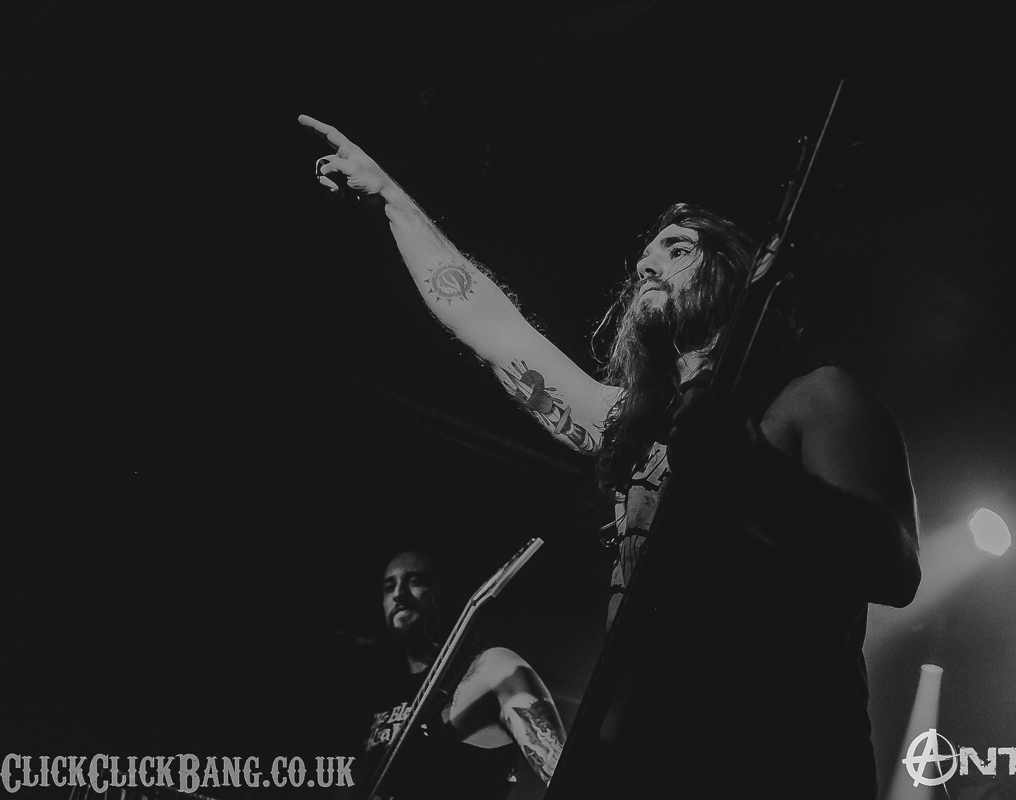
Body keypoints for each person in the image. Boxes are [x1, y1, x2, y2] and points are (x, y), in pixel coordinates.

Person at [300, 114, 921, 798]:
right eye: (646, 257)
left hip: (788, 762)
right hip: (656, 761)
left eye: (677, 248)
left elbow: (894, 568)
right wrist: (391, 197)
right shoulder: (630, 426)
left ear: (738, 273)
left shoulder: (817, 398)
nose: (647, 265)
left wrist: (751, 468)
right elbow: (489, 323)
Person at [360, 548, 567, 800]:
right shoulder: (379, 698)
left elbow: (566, 778)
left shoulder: (493, 668)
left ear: (444, 592)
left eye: (415, 581)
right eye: (389, 586)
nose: (398, 594)